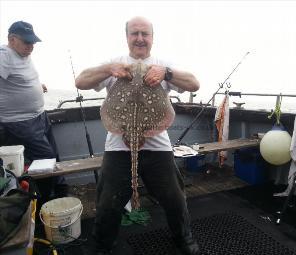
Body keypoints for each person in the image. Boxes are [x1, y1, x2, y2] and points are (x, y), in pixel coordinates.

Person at [75, 16, 200, 255]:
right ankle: (101, 245)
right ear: (127, 37)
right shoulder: (115, 64)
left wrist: (168, 74)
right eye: (135, 33)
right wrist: (107, 69)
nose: (140, 38)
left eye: (145, 33)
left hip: (158, 145)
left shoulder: (163, 65)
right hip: (118, 145)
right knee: (107, 203)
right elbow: (80, 81)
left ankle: (183, 237)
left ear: (152, 38)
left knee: (175, 197)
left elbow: (194, 84)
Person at [0, 21, 65, 206]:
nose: (31, 46)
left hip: (40, 117)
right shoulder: (4, 55)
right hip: (20, 122)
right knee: (46, 158)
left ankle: (60, 190)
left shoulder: (23, 54)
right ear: (12, 39)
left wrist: (38, 86)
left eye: (33, 42)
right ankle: (46, 199)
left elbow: (19, 78)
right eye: (27, 42)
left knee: (54, 156)